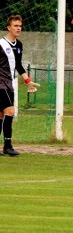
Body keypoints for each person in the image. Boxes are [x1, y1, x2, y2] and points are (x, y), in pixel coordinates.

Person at [0, 15, 39, 156]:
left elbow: (18, 65)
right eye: (15, 26)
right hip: (0, 84)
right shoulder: (1, 44)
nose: (18, 28)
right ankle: (8, 146)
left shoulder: (19, 45)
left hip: (9, 83)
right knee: (10, 111)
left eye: (20, 26)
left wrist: (28, 81)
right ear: (8, 27)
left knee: (1, 115)